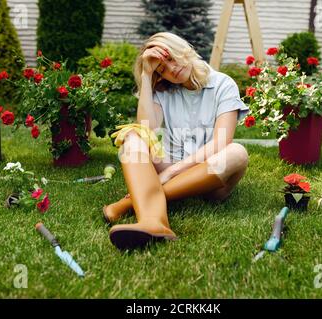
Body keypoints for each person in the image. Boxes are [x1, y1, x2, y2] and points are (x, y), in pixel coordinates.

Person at [104, 32, 249, 250]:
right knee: (133, 136)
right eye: (162, 69)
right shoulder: (163, 90)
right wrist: (146, 75)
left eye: (171, 59)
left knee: (236, 152)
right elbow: (147, 130)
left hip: (209, 174)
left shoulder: (223, 84)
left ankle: (130, 203)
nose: (171, 69)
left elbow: (221, 142)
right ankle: (154, 222)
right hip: (170, 162)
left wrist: (170, 173)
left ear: (184, 49)